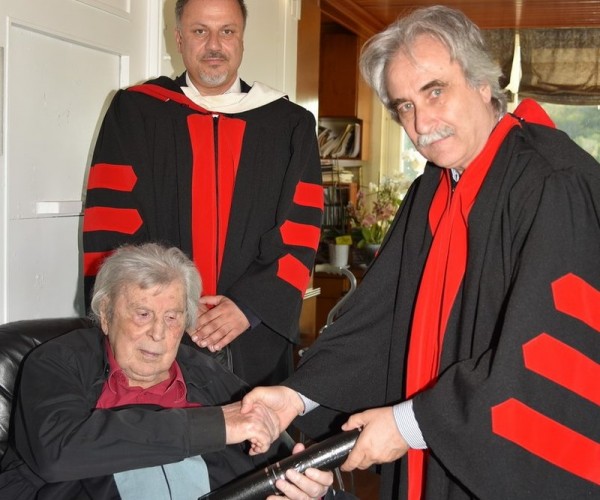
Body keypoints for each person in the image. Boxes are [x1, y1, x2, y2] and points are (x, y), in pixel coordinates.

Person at [241, 5, 600, 499]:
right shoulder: (433, 188)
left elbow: (548, 362)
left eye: (435, 91)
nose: (422, 122)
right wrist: (297, 396)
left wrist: (411, 424)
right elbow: (383, 322)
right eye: (404, 106)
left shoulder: (553, 185)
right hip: (428, 462)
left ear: (482, 83)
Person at [82, 0, 323, 387]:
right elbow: (111, 222)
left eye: (227, 31)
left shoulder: (289, 125)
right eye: (200, 31)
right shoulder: (136, 113)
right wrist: (165, 307)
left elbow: (301, 227)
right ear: (179, 39)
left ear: (241, 39)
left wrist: (249, 306)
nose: (214, 45)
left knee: (253, 422)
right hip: (155, 329)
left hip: (253, 333)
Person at [0, 242, 336, 499]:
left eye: (172, 317)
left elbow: (279, 463)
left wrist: (310, 489)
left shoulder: (209, 379)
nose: (158, 333)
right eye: (143, 314)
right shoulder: (58, 362)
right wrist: (215, 426)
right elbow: (57, 452)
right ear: (105, 314)